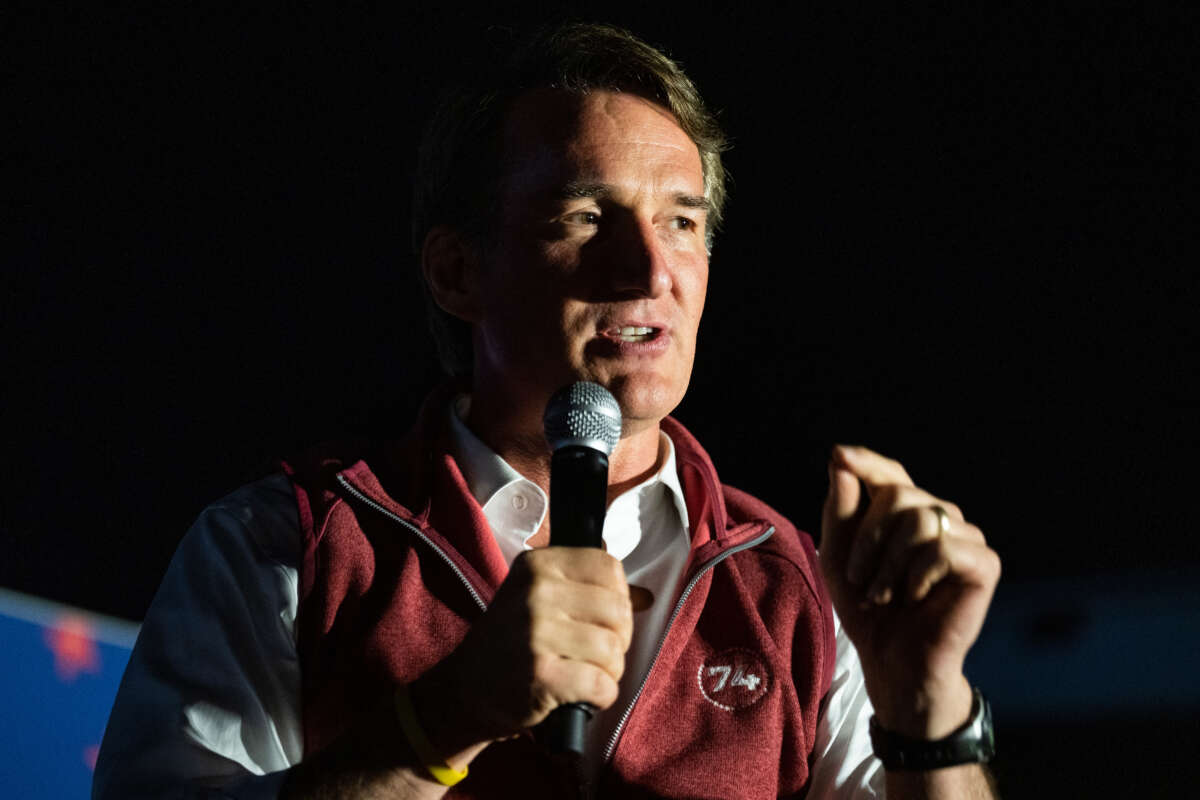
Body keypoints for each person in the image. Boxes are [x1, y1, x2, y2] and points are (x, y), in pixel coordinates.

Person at [94, 22, 1001, 799]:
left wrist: (929, 714)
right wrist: (442, 719)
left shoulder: (795, 589)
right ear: (457, 273)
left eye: (682, 222)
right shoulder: (286, 546)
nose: (650, 272)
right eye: (581, 218)